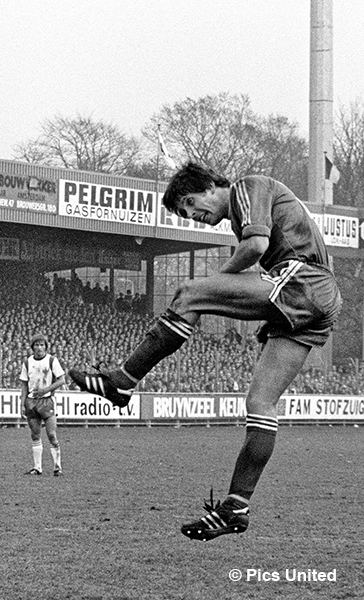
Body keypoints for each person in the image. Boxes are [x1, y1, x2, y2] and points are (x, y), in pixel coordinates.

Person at [68, 162, 342, 541]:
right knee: (260, 404)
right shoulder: (242, 212)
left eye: (191, 204)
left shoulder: (248, 185)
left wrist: (215, 283)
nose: (194, 216)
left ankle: (122, 381)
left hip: (303, 282)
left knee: (189, 293)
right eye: (185, 214)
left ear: (213, 185)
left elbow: (257, 245)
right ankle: (236, 506)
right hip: (317, 299)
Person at [18, 333, 65, 477]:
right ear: (32, 347)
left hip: (46, 401)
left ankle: (58, 467)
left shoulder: (52, 360)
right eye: (36, 345)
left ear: (46, 346)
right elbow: (24, 385)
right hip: (31, 402)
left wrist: (46, 390)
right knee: (35, 435)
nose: (39, 348)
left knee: (51, 434)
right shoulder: (27, 362)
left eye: (42, 345)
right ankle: (37, 468)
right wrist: (22, 404)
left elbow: (61, 380)